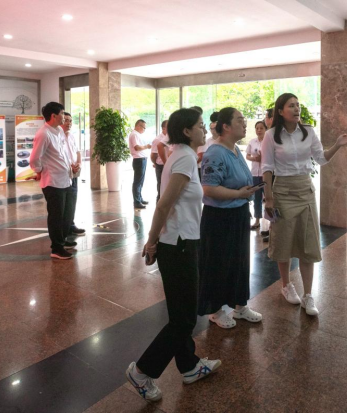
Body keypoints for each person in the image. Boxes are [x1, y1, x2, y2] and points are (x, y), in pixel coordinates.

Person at [127, 108, 219, 401]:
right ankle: (142, 371)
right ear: (187, 131)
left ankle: (189, 366)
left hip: (181, 241)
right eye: (200, 125)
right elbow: (164, 204)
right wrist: (151, 241)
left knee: (181, 312)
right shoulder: (185, 157)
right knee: (183, 319)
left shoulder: (181, 154)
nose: (205, 129)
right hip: (178, 244)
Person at [261, 93, 347, 316]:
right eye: (291, 105)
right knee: (283, 241)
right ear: (280, 111)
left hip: (305, 190)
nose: (296, 109)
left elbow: (321, 158)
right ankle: (286, 285)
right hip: (282, 191)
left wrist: (338, 145)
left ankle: (308, 295)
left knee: (308, 242)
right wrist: (269, 197)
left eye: (298, 105)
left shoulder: (308, 132)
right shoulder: (271, 135)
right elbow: (267, 168)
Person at [198, 108, 262, 329]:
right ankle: (215, 311)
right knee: (218, 263)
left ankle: (240, 306)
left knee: (239, 261)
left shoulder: (234, 149)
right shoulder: (215, 152)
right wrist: (238, 194)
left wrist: (245, 193)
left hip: (238, 213)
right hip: (220, 217)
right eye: (240, 120)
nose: (245, 124)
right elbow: (208, 188)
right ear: (225, 126)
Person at [30, 102, 77, 260]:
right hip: (53, 182)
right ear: (53, 116)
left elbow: (62, 154)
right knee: (56, 216)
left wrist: (71, 166)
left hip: (65, 179)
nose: (64, 116)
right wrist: (39, 171)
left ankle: (62, 240)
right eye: (62, 114)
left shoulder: (58, 131)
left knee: (66, 214)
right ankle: (56, 248)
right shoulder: (43, 134)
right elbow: (34, 158)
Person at [61, 112, 85, 235]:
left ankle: (70, 224)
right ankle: (63, 228)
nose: (69, 123)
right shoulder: (57, 137)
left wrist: (79, 164)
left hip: (74, 173)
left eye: (70, 120)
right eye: (66, 120)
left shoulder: (71, 136)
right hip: (63, 174)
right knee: (64, 203)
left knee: (72, 200)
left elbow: (78, 152)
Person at [246, 121, 266, 229]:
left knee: (269, 197)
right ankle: (257, 220)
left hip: (266, 174)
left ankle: (271, 222)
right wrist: (254, 158)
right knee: (256, 198)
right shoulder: (252, 141)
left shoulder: (268, 141)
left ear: (265, 129)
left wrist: (263, 158)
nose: (259, 130)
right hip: (254, 174)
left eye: (261, 128)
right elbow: (247, 156)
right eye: (257, 128)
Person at [128, 120, 152, 209]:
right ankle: (137, 201)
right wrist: (147, 146)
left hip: (142, 159)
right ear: (138, 126)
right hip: (139, 160)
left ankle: (139, 198)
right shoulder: (134, 134)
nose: (144, 130)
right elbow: (137, 147)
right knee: (137, 182)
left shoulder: (137, 134)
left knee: (140, 181)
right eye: (144, 128)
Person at [260, 108, 275, 242]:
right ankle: (271, 231)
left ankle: (273, 231)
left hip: (276, 176)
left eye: (266, 117)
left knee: (275, 206)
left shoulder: (273, 135)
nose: (265, 120)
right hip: (269, 174)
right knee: (270, 204)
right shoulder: (269, 134)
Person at [150, 120, 169, 202]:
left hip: (168, 165)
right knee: (161, 188)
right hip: (161, 166)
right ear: (164, 128)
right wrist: (156, 163)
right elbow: (153, 155)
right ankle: (159, 206)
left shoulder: (170, 138)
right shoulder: (158, 140)